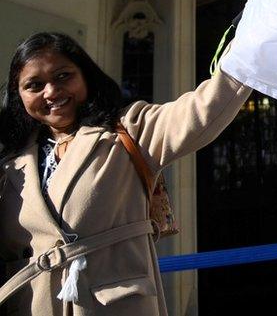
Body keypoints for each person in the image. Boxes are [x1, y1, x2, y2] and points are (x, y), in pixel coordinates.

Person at [0, 32, 251, 314]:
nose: (51, 91)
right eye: (34, 85)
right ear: (18, 94)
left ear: (85, 76)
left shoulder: (129, 131)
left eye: (62, 76)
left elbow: (202, 110)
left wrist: (251, 42)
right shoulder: (10, 162)